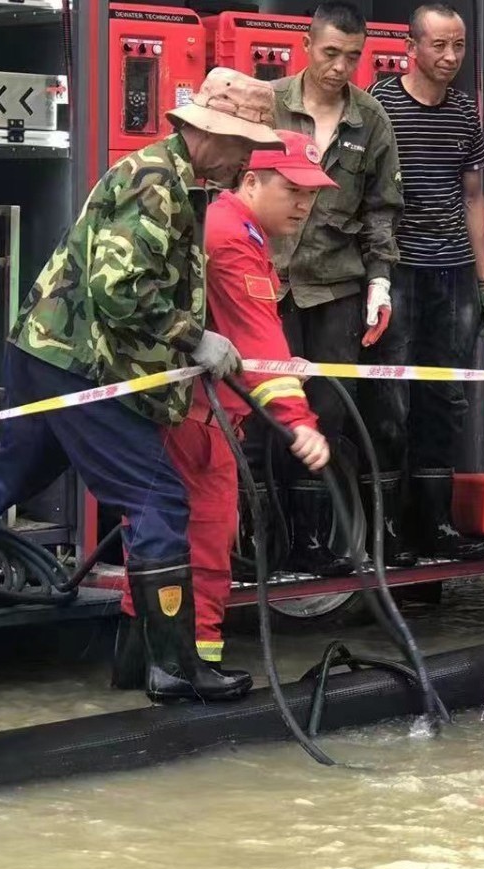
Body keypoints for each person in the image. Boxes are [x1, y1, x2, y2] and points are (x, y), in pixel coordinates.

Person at [0, 68, 284, 703]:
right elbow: (119, 292)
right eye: (245, 146)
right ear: (212, 134)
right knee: (158, 502)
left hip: (45, 348)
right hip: (84, 364)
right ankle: (174, 671)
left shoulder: (171, 179)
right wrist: (195, 338)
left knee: (15, 473)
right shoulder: (157, 182)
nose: (248, 161)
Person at [163, 130, 336, 698]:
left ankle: (149, 660)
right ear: (252, 180)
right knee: (206, 546)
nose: (304, 205)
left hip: (195, 416)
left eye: (311, 194)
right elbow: (258, 335)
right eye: (294, 191)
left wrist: (276, 366)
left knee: (161, 541)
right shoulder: (234, 239)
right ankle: (196, 673)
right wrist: (299, 421)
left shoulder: (232, 227)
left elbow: (250, 342)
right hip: (199, 424)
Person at [266, 0, 403, 576]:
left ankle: (311, 542)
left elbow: (381, 210)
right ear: (306, 45)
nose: (340, 67)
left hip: (335, 289)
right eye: (330, 53)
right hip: (266, 283)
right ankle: (260, 543)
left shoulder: (370, 119)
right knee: (263, 407)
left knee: (326, 414)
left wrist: (380, 281)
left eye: (352, 56)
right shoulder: (268, 103)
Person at [362, 2, 484, 566]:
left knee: (445, 397)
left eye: (458, 45)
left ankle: (436, 524)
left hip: (452, 270)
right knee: (389, 399)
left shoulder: (465, 111)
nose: (450, 56)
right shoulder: (380, 103)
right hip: (397, 268)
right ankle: (388, 529)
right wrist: (375, 274)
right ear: (410, 47)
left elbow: (473, 197)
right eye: (439, 45)